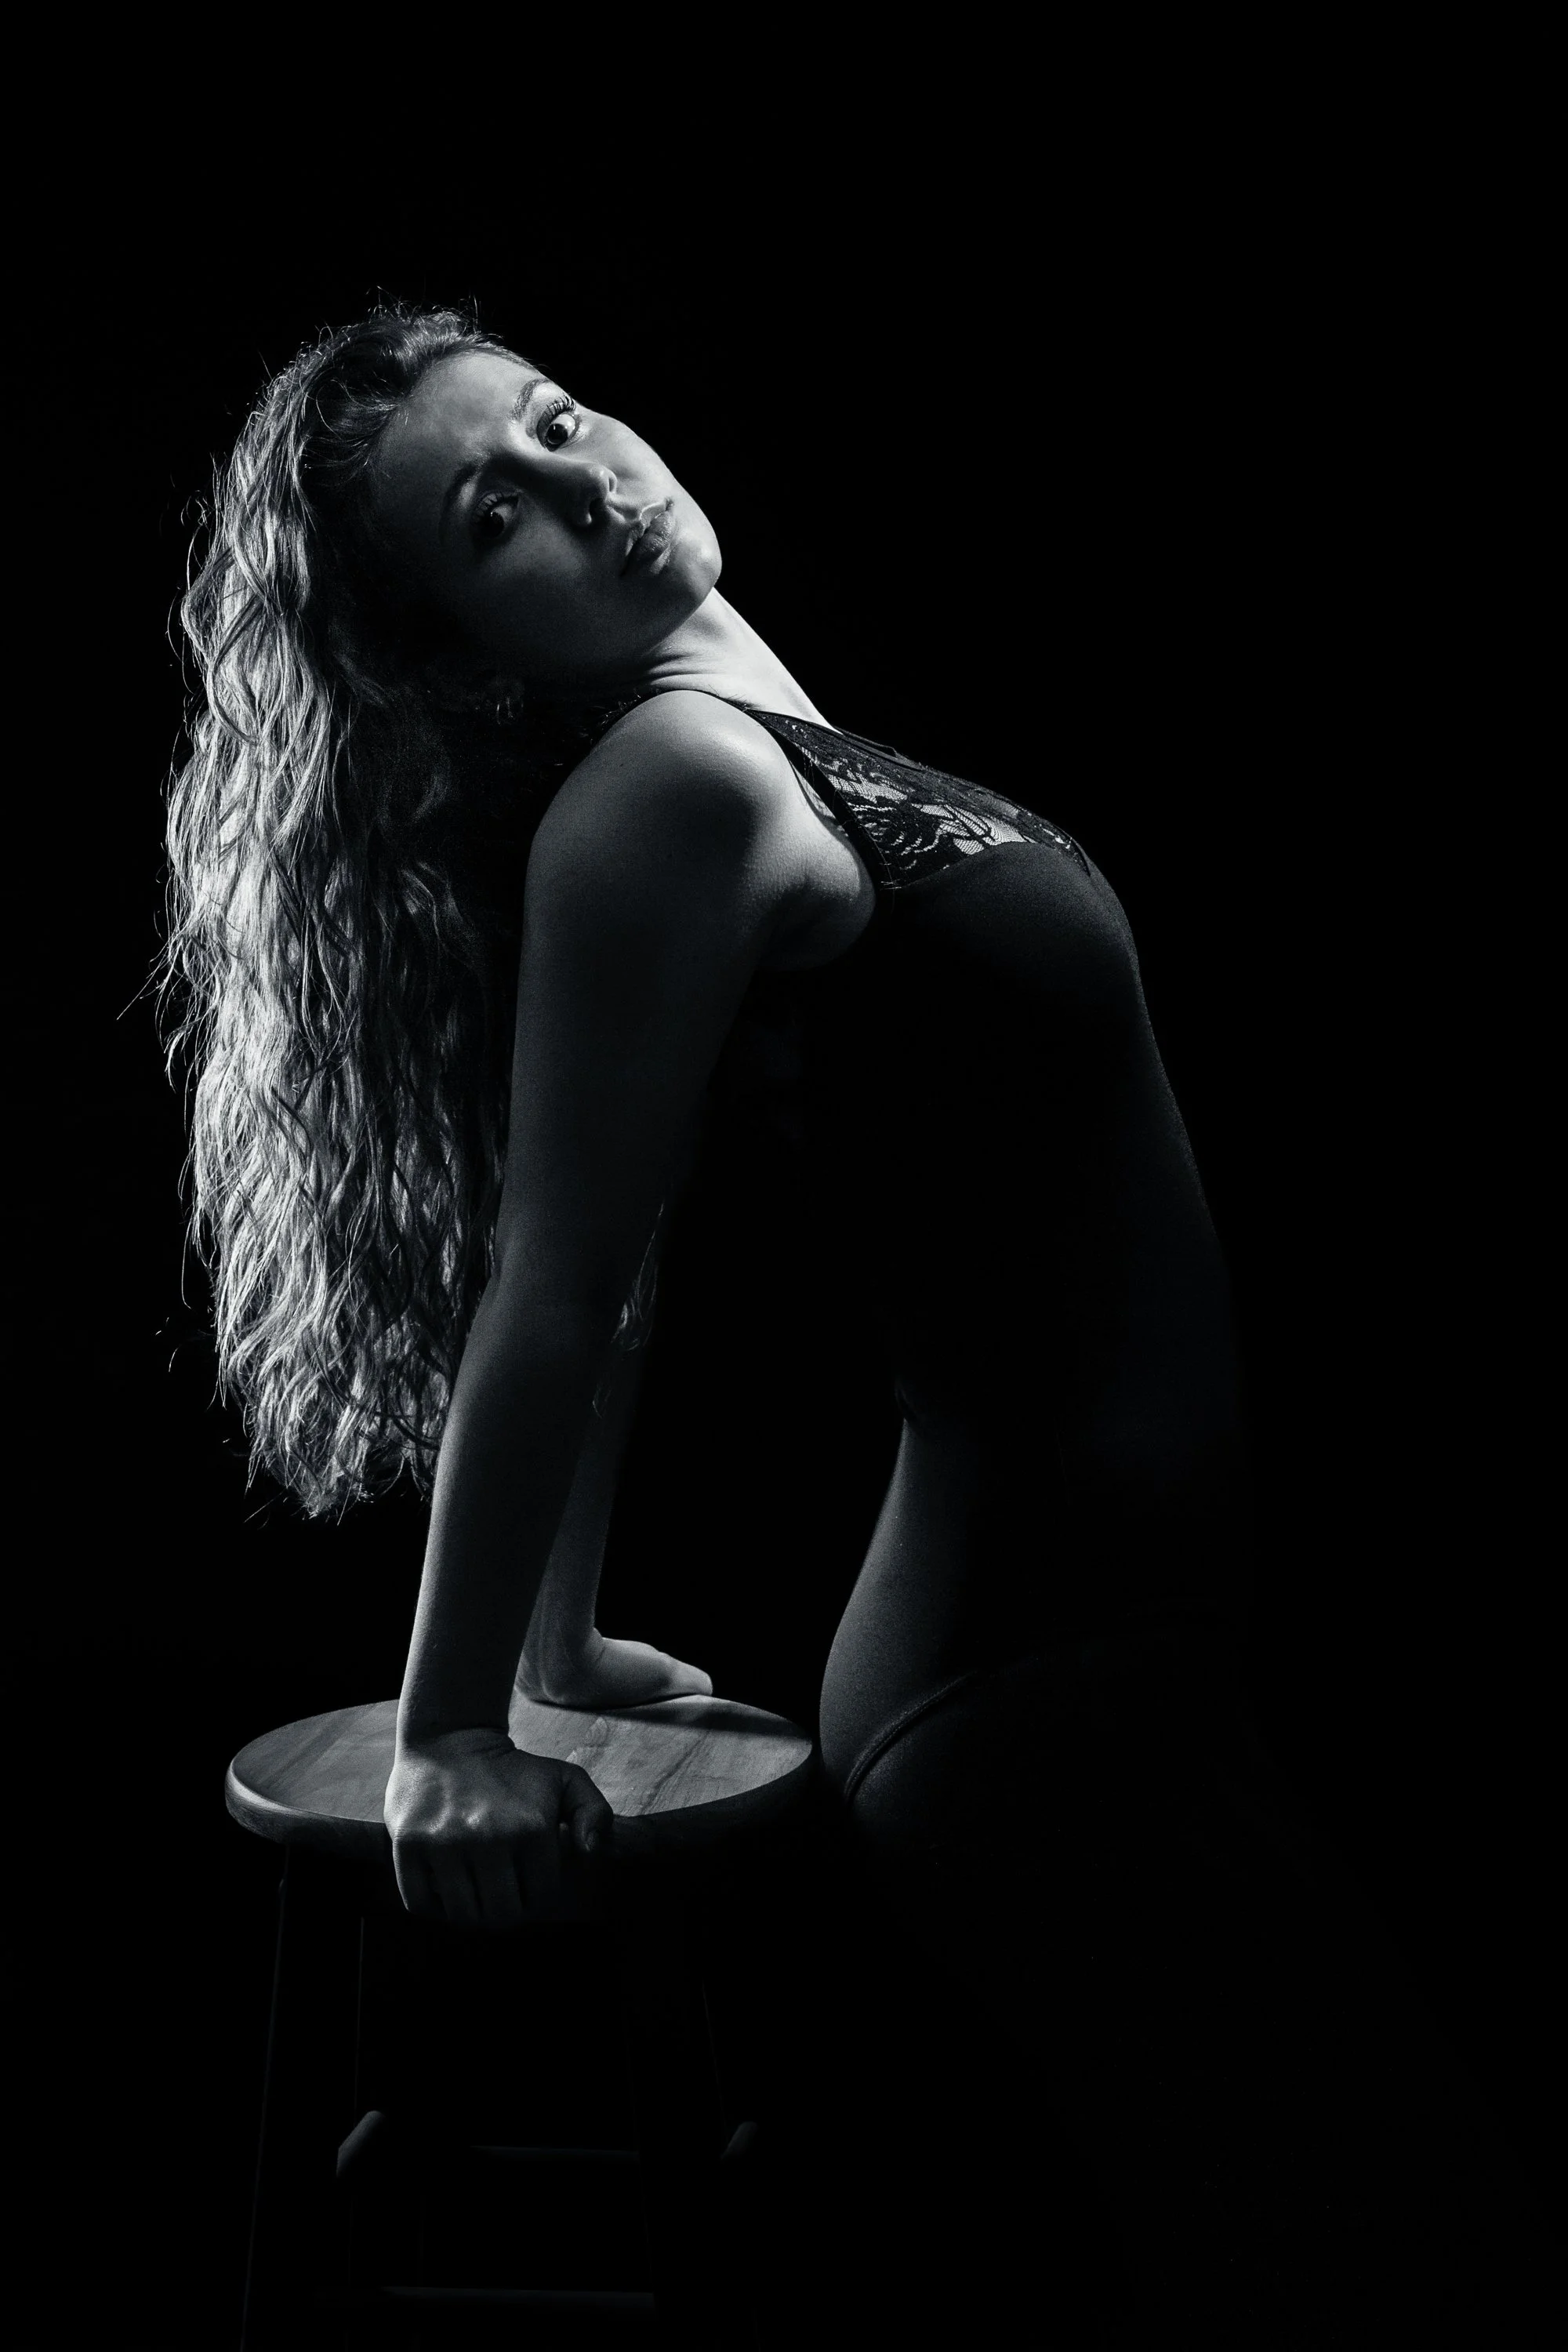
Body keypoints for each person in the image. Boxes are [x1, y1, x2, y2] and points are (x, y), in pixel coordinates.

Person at [165, 305, 1538, 2345]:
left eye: (556, 422)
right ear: (457, 652)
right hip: (1033, 1695)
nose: (584, 481)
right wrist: (459, 1718)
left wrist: (565, 1636)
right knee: (1384, 2260)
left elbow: (620, 1271)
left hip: (1112, 1658)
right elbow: (549, 1288)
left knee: (1320, 2249)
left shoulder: (734, 736)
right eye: (499, 514)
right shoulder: (665, 790)